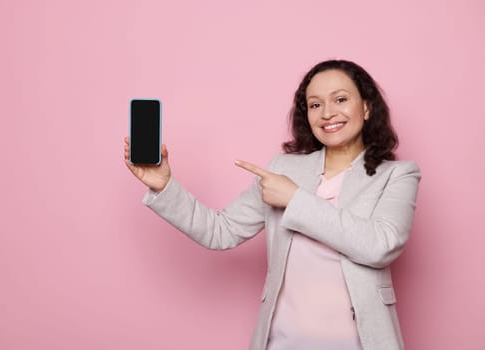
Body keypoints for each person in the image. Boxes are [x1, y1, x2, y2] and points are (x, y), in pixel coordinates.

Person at [123, 59, 421, 350]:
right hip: (283, 340)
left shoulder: (397, 174)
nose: (328, 113)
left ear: (367, 107)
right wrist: (164, 185)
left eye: (340, 99)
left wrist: (294, 199)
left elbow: (380, 245)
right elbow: (220, 230)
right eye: (315, 105)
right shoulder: (283, 169)